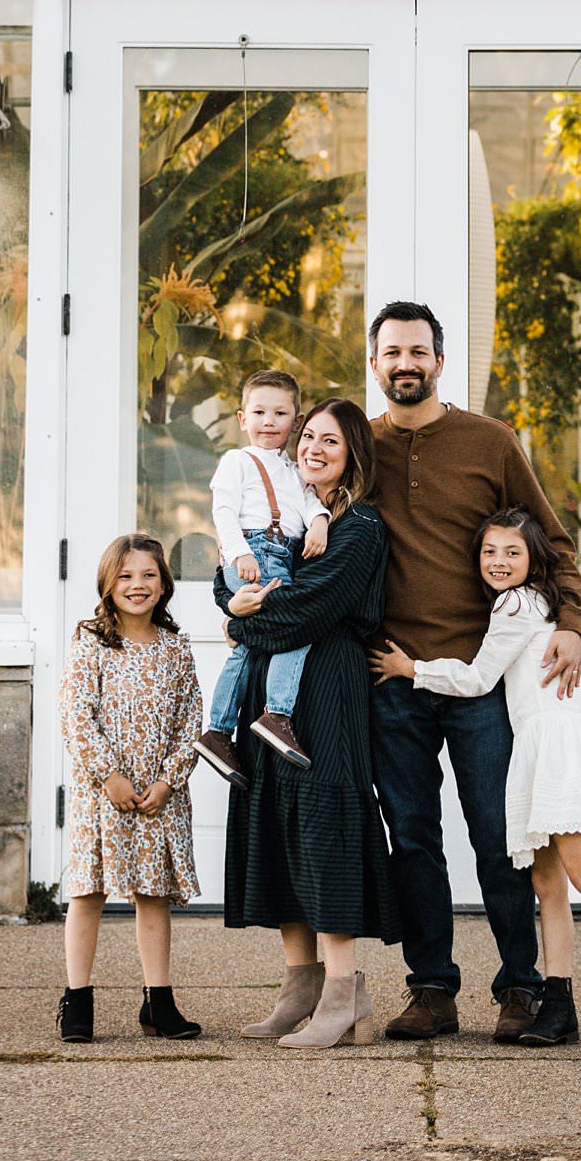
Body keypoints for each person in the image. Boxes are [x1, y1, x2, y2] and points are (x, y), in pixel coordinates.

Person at [371, 506, 581, 1050]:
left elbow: (479, 679)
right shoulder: (527, 602)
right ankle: (559, 1006)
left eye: (512, 552)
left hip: (551, 746)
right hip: (535, 743)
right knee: (548, 885)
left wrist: (415, 669)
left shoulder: (517, 603)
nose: (498, 562)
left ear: (533, 559)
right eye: (489, 552)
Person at [366, 299, 581, 1043]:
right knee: (414, 840)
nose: (405, 363)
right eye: (392, 352)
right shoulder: (361, 448)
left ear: (438, 359)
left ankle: (521, 987)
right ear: (375, 364)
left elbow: (551, 542)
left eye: (418, 351)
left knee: (500, 837)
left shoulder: (489, 441)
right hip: (395, 680)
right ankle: (431, 988)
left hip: (480, 683)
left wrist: (572, 625)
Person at [218, 398, 400, 1049]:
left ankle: (345, 990)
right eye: (308, 436)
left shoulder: (360, 528)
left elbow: (306, 608)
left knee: (324, 826)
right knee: (276, 823)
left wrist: (240, 621)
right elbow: (231, 577)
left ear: (353, 453)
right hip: (269, 695)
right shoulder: (284, 516)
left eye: (331, 440)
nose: (314, 447)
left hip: (327, 691)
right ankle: (301, 984)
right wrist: (236, 601)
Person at [56, 533, 203, 1044]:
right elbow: (77, 716)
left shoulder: (176, 646)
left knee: (152, 894)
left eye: (148, 575)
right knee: (89, 891)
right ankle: (78, 1000)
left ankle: (158, 1001)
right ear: (107, 583)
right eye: (125, 576)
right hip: (104, 794)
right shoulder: (92, 641)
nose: (137, 585)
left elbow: (191, 721)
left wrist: (168, 779)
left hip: (157, 796)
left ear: (163, 584)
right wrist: (108, 775)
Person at [195, 369, 329, 782]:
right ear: (241, 419)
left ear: (297, 420)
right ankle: (277, 714)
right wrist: (239, 554)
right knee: (295, 630)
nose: (269, 421)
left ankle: (218, 731)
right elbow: (223, 511)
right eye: (259, 412)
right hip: (256, 551)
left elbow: (306, 502)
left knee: (248, 650)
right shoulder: (238, 460)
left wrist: (320, 520)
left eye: (280, 413)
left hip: (282, 553)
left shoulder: (292, 468)